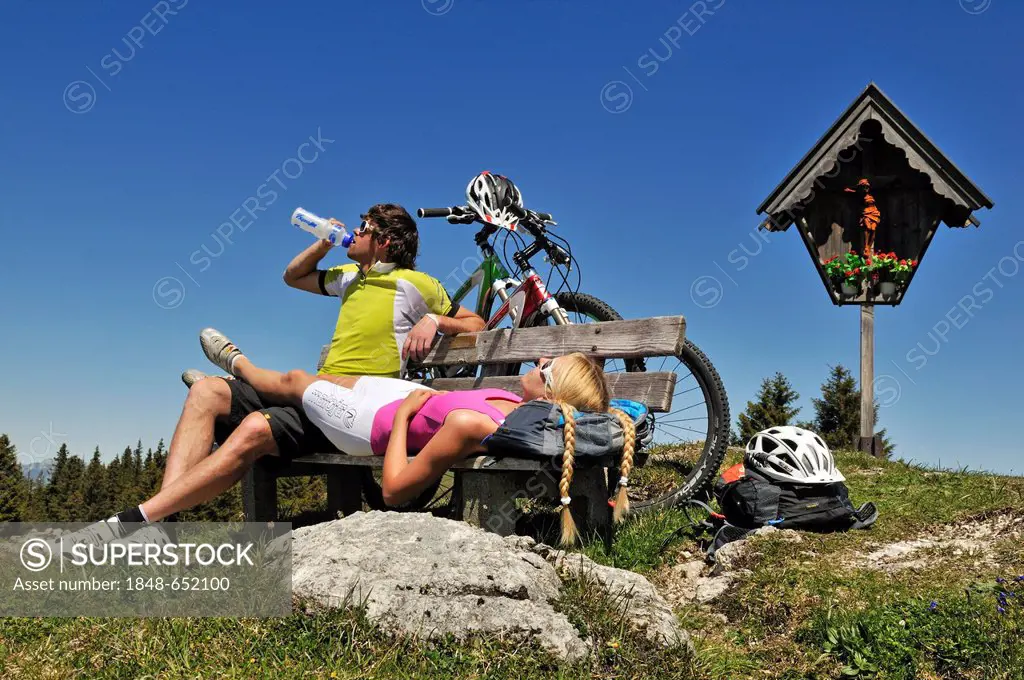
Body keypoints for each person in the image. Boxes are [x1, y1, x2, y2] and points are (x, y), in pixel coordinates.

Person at [62, 204, 484, 548]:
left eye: (364, 228)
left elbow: (477, 324)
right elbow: (293, 277)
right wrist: (322, 244)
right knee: (207, 392)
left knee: (252, 428)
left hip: (351, 411)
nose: (354, 232)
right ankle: (160, 525)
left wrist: (434, 319)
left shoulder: (415, 284)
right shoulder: (348, 278)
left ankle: (140, 520)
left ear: (385, 241)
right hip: (312, 393)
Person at [64, 339, 636, 549]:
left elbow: (393, 490)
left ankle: (240, 366)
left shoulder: (480, 425)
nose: (537, 362)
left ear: (554, 390)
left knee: (294, 380)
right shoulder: (510, 406)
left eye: (547, 364)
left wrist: (412, 407)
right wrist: (413, 398)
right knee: (313, 383)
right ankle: (228, 385)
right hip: (389, 400)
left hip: (369, 427)